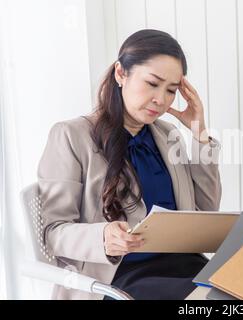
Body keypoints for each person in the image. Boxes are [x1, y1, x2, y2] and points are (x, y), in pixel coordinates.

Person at [38, 29, 221, 300]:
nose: (161, 99)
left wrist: (199, 133)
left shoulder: (167, 135)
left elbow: (205, 212)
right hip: (117, 278)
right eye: (152, 83)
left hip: (183, 266)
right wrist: (103, 237)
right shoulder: (70, 135)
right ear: (121, 74)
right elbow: (52, 232)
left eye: (171, 90)